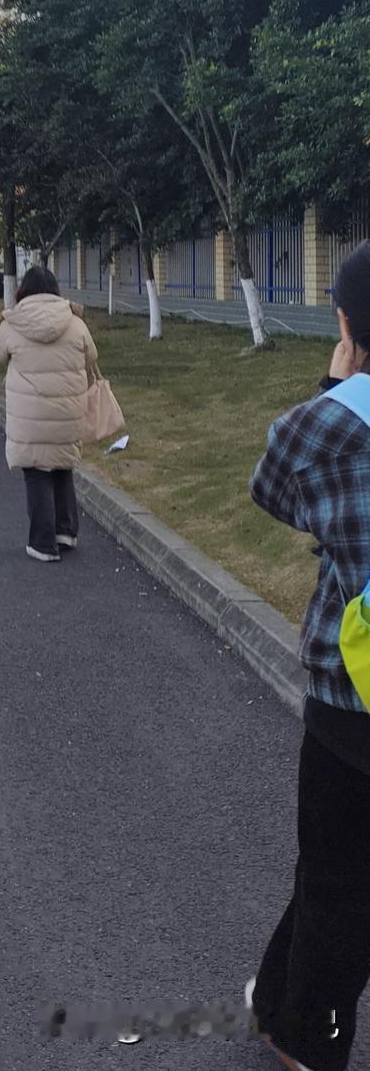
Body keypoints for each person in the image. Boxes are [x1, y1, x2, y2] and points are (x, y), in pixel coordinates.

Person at [246, 241, 370, 1071]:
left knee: (334, 868)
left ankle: (308, 1037)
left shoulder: (327, 423)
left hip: (353, 694)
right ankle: (279, 999)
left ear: (348, 322)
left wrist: (339, 381)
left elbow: (273, 491)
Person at [0, 265, 97, 562]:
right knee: (62, 469)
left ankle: (43, 544)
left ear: (22, 290)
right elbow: (92, 356)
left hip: (30, 415)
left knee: (37, 474)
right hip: (67, 412)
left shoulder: (14, 323)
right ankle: (66, 532)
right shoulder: (74, 322)